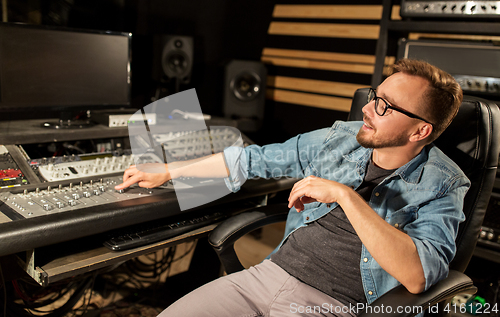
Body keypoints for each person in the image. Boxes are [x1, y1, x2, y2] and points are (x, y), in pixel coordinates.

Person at [114, 59, 468, 317]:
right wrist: (167, 170)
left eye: (385, 107)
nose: (367, 108)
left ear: (420, 131)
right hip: (268, 275)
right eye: (376, 95)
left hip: (335, 304)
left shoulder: (443, 183)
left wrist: (345, 196)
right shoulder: (340, 138)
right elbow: (250, 160)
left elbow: (419, 275)